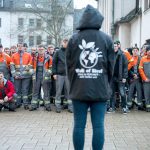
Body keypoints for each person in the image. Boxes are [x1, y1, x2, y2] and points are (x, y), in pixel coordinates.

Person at [66, 5, 115, 150]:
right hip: (100, 89)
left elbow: (69, 66)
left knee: (79, 125)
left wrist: (75, 82)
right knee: (98, 125)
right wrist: (106, 83)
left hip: (79, 90)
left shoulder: (73, 39)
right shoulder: (106, 39)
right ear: (98, 20)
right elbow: (111, 67)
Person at [29, 45, 52, 111]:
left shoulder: (49, 57)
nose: (41, 50)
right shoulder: (34, 57)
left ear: (45, 50)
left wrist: (47, 74)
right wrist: (32, 73)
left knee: (46, 92)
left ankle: (47, 106)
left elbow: (51, 67)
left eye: (42, 49)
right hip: (36, 77)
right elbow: (30, 66)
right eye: (39, 49)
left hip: (45, 77)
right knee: (35, 92)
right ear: (37, 50)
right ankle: (34, 106)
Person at [52, 39, 73, 113]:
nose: (66, 44)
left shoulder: (71, 51)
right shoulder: (58, 52)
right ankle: (58, 106)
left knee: (69, 91)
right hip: (59, 75)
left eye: (67, 42)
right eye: (64, 42)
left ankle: (70, 107)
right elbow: (54, 63)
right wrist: (54, 73)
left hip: (68, 75)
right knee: (58, 91)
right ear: (62, 43)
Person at [108, 42, 128, 114]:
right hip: (112, 78)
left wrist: (125, 77)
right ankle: (112, 107)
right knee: (111, 93)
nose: (115, 47)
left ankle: (124, 107)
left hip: (120, 77)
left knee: (122, 93)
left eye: (116, 46)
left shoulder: (122, 55)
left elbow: (125, 67)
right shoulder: (110, 55)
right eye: (113, 46)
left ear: (118, 47)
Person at [10, 43, 32, 109]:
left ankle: (25, 104)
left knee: (25, 90)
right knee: (17, 90)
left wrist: (26, 71)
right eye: (19, 46)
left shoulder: (28, 55)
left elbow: (30, 64)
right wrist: (14, 75)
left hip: (26, 76)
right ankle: (18, 103)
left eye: (21, 46)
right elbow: (12, 66)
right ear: (17, 47)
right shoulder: (13, 55)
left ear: (23, 47)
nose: (20, 47)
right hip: (17, 76)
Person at [139, 45, 150, 112]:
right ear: (146, 51)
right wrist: (145, 78)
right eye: (148, 50)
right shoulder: (143, 59)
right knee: (147, 95)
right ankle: (148, 107)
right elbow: (140, 69)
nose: (149, 52)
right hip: (146, 81)